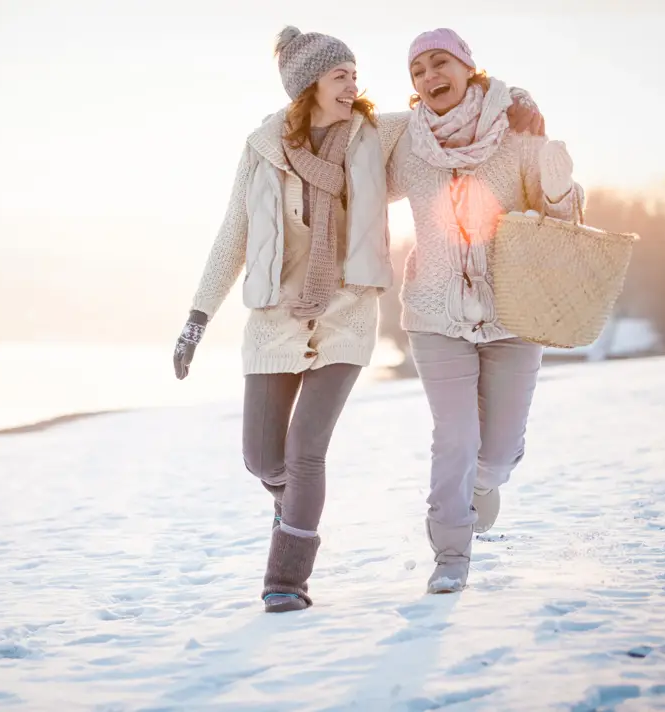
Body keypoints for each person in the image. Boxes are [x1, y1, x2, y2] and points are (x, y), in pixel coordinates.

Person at [173, 26, 544, 612]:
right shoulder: (262, 149)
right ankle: (287, 498)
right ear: (308, 86)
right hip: (274, 318)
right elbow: (232, 237)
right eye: (341, 75)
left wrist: (516, 95)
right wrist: (197, 317)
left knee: (305, 452)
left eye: (354, 74)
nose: (354, 84)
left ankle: (285, 581)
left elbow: (452, 109)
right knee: (263, 460)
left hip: (346, 314)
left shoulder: (379, 133)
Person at [384, 28, 585, 594]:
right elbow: (349, 148)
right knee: (454, 436)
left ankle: (485, 480)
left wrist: (559, 180)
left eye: (440, 63)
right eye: (418, 70)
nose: (429, 77)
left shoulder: (516, 130)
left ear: (469, 67)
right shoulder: (406, 140)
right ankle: (451, 553)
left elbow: (561, 220)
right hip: (434, 313)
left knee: (493, 455)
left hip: (513, 313)